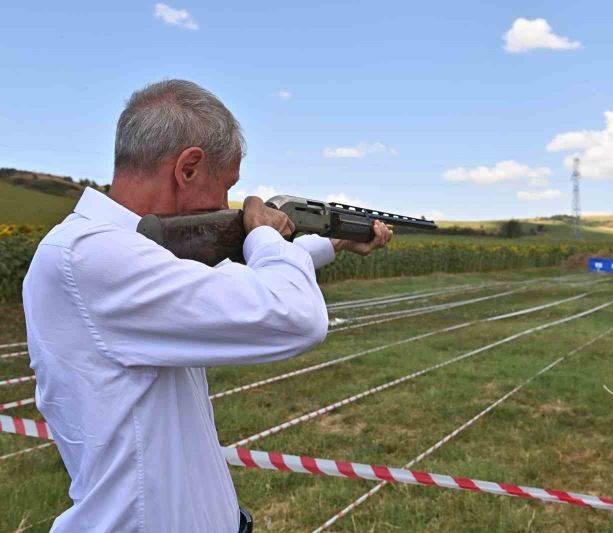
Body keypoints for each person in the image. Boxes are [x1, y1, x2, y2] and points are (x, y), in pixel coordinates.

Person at [22, 79, 393, 532]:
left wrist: (329, 244)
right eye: (227, 187)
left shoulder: (120, 254)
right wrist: (262, 234)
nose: (226, 206)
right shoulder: (89, 254)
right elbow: (295, 317)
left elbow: (226, 284)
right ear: (189, 168)